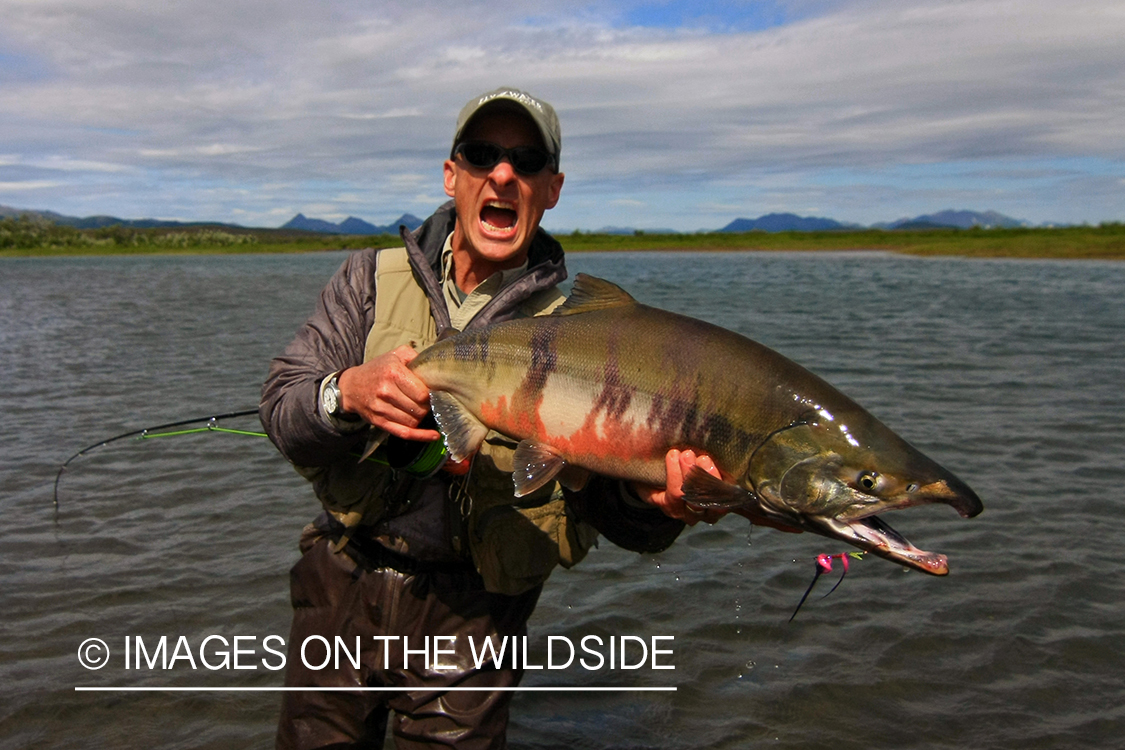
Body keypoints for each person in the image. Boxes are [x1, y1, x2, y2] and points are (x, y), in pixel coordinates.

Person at [260, 86, 724, 750]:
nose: (503, 173)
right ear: (452, 176)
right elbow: (282, 412)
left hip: (477, 621)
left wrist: (658, 506)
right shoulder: (367, 279)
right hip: (340, 585)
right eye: (482, 155)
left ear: (552, 188)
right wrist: (344, 393)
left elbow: (616, 518)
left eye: (526, 161)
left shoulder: (587, 334)